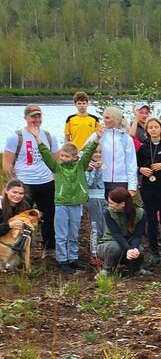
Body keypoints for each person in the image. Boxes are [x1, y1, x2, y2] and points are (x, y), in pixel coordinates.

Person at [37, 123, 101, 271]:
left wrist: (97, 137)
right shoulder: (57, 168)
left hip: (76, 204)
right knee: (61, 234)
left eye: (67, 156)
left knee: (73, 233)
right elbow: (47, 156)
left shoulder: (80, 166)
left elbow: (89, 152)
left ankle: (73, 258)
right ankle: (62, 260)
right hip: (61, 204)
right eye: (62, 156)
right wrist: (39, 141)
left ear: (74, 157)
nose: (63, 158)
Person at [3, 104, 61, 251]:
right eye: (33, 116)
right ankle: (18, 247)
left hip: (46, 182)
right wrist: (13, 182)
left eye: (38, 116)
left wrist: (57, 179)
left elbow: (57, 162)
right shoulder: (15, 137)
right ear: (25, 118)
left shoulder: (49, 137)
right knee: (22, 217)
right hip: (25, 184)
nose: (36, 119)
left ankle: (49, 247)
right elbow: (7, 162)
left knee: (49, 217)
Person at [136, 118, 161, 262]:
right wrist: (141, 169)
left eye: (156, 127)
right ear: (147, 131)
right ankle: (154, 252)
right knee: (151, 220)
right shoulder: (143, 147)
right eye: (150, 127)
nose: (153, 129)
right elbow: (136, 166)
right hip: (148, 188)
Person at [97, 187, 149, 278]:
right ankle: (107, 269)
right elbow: (116, 234)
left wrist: (133, 249)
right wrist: (128, 249)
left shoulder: (140, 213)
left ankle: (136, 269)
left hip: (128, 243)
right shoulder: (108, 212)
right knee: (115, 248)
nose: (109, 205)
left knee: (139, 250)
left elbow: (137, 236)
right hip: (109, 243)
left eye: (112, 203)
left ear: (122, 204)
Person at [96, 107, 138, 199]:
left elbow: (131, 163)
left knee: (121, 210)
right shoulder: (100, 135)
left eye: (107, 118)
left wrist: (132, 186)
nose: (104, 121)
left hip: (122, 181)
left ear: (116, 119)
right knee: (106, 210)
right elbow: (84, 150)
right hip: (103, 180)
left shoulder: (126, 138)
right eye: (104, 118)